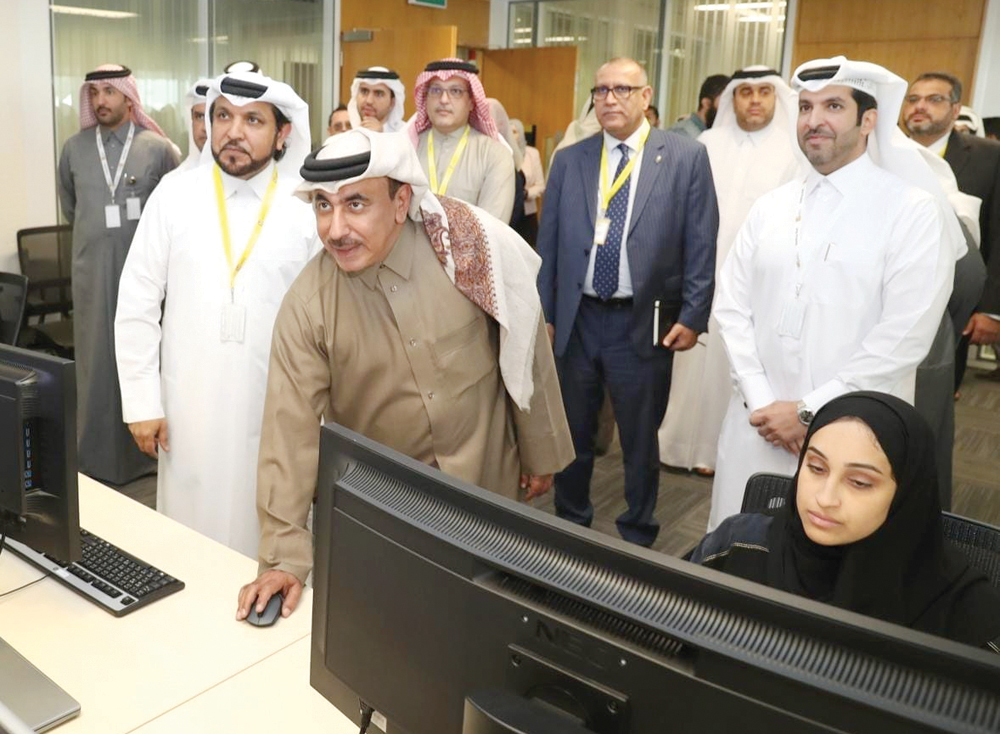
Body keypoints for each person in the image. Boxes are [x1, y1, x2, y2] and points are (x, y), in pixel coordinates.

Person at [236, 129, 575, 619]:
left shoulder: (468, 247)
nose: (335, 229)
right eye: (323, 206)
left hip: (489, 492)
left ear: (401, 202)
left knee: (491, 626)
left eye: (355, 204)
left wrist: (541, 452)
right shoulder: (308, 306)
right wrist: (283, 559)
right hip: (390, 517)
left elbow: (526, 342)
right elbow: (289, 435)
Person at [709, 57, 959, 531]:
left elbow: (904, 336)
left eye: (833, 106)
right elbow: (731, 307)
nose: (814, 120)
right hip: (757, 424)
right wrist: (763, 404)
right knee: (742, 543)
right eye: (805, 107)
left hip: (853, 429)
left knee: (832, 552)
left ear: (869, 120)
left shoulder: (912, 211)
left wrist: (808, 412)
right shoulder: (771, 206)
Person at [115, 70, 318, 556]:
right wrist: (142, 403)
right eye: (223, 116)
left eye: (253, 120)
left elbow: (325, 323)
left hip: (276, 407)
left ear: (283, 133)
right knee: (187, 540)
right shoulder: (174, 195)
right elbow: (138, 301)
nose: (233, 131)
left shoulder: (308, 208)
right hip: (188, 408)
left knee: (268, 534)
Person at [537, 57, 719, 547]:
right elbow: (548, 245)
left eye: (622, 89)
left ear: (646, 96)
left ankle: (638, 530)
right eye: (600, 91)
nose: (609, 99)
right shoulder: (570, 159)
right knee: (573, 430)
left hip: (643, 321)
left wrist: (693, 315)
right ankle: (570, 520)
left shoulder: (685, 157)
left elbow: (702, 242)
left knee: (639, 438)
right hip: (578, 320)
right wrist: (546, 314)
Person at [689, 391, 1000, 651]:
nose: (825, 498)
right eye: (816, 468)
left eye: (859, 482)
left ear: (907, 493)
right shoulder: (736, 545)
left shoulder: (967, 613)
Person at [659, 67, 803, 477]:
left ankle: (716, 454)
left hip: (757, 280)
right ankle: (676, 445)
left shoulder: (792, 150)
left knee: (737, 363)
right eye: (745, 92)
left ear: (777, 97)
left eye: (764, 92)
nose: (755, 100)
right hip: (700, 270)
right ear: (731, 99)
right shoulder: (707, 143)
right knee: (690, 365)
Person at [57, 64, 179, 485]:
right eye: (94, 93)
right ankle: (94, 460)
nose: (101, 101)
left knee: (143, 359)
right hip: (91, 275)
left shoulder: (157, 149)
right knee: (95, 366)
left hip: (145, 278)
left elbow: (174, 211)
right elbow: (71, 206)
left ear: (129, 97)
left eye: (109, 91)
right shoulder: (73, 149)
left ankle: (142, 458)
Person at [902, 72, 1000, 385]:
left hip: (955, 302)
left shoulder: (988, 156)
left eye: (934, 99)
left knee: (937, 390)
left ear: (955, 109)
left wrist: (992, 310)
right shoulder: (882, 153)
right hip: (891, 297)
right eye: (913, 99)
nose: (920, 106)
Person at [408, 58, 515, 222]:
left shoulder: (495, 155)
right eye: (435, 90)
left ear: (472, 102)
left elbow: (492, 227)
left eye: (456, 91)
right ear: (425, 98)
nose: (444, 99)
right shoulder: (406, 148)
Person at [161, 78, 212, 182]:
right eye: (199, 117)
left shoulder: (241, 180)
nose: (205, 128)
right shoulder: (172, 182)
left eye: (211, 118)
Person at [510, 119, 544, 245]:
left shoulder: (532, 153)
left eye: (515, 132)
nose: (511, 135)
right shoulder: (502, 152)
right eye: (509, 132)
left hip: (527, 214)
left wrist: (526, 194)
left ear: (521, 134)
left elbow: (540, 185)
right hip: (508, 214)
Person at [669, 73, 730, 139]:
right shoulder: (682, 134)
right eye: (725, 104)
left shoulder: (715, 135)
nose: (730, 111)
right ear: (707, 104)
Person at [346, 66, 406, 133]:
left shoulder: (404, 135)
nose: (369, 101)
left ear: (392, 102)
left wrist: (379, 135)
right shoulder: (346, 132)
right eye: (364, 91)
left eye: (378, 94)